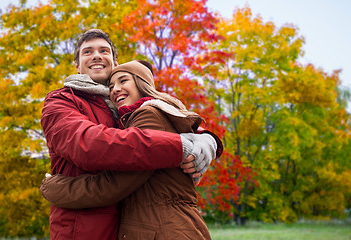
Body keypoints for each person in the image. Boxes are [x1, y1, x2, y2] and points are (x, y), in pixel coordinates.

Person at [41, 29, 222, 240]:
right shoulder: (62, 101)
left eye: (104, 50)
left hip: (134, 225)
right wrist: (180, 145)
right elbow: (87, 144)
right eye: (87, 52)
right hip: (82, 229)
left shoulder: (129, 108)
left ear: (114, 62)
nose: (97, 55)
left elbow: (163, 120)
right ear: (77, 66)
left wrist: (207, 139)